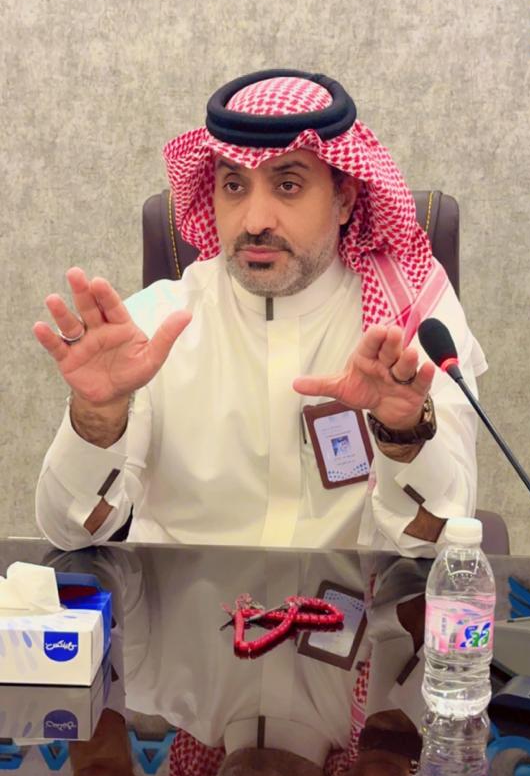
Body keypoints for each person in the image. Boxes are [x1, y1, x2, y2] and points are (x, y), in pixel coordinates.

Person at [34, 69, 486, 555]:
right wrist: (97, 417)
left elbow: (441, 542)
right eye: (234, 185)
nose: (254, 221)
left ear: (344, 200)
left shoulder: (411, 319)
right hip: (183, 602)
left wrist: (403, 435)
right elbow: (74, 534)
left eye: (288, 185)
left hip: (351, 601)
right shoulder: (152, 326)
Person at [35, 544, 428, 776]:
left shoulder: (148, 678)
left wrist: (97, 755)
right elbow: (425, 566)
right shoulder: (387, 703)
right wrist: (387, 752)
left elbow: (74, 560)